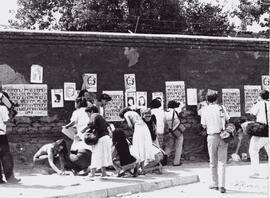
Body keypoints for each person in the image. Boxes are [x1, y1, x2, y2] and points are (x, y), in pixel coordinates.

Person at [201, 93, 230, 193]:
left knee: (213, 161)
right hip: (223, 135)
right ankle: (222, 185)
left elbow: (203, 125)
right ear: (216, 99)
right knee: (222, 161)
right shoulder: (221, 107)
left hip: (212, 136)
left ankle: (214, 183)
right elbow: (227, 119)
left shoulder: (205, 109)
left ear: (207, 100)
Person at [84, 106, 113, 177]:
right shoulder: (101, 117)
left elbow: (90, 124)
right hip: (106, 138)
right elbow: (108, 125)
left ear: (91, 111)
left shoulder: (94, 115)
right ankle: (104, 173)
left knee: (95, 155)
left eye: (88, 113)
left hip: (100, 138)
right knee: (103, 156)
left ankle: (92, 173)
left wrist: (84, 131)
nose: (88, 115)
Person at [248, 90, 269, 178]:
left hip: (262, 130)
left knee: (253, 150)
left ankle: (255, 172)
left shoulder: (260, 104)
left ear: (260, 96)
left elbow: (252, 113)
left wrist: (255, 103)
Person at [0, 104, 20, 183]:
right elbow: (5, 121)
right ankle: (10, 178)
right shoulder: (2, 108)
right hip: (1, 135)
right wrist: (10, 115)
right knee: (5, 155)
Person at [164, 100, 185, 166]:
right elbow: (182, 105)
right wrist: (179, 103)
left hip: (170, 132)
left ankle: (164, 161)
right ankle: (176, 162)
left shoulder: (165, 113)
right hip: (178, 131)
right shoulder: (176, 111)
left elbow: (165, 123)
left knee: (168, 147)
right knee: (178, 147)